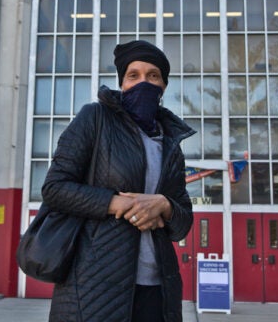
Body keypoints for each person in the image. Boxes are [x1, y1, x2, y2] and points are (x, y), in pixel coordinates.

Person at [41, 40, 195, 322]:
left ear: (163, 86)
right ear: (122, 83)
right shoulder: (95, 118)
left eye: (153, 75)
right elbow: (54, 188)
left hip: (158, 289)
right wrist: (119, 203)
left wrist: (163, 205)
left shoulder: (171, 140)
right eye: (133, 75)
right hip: (95, 287)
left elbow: (183, 221)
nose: (143, 82)